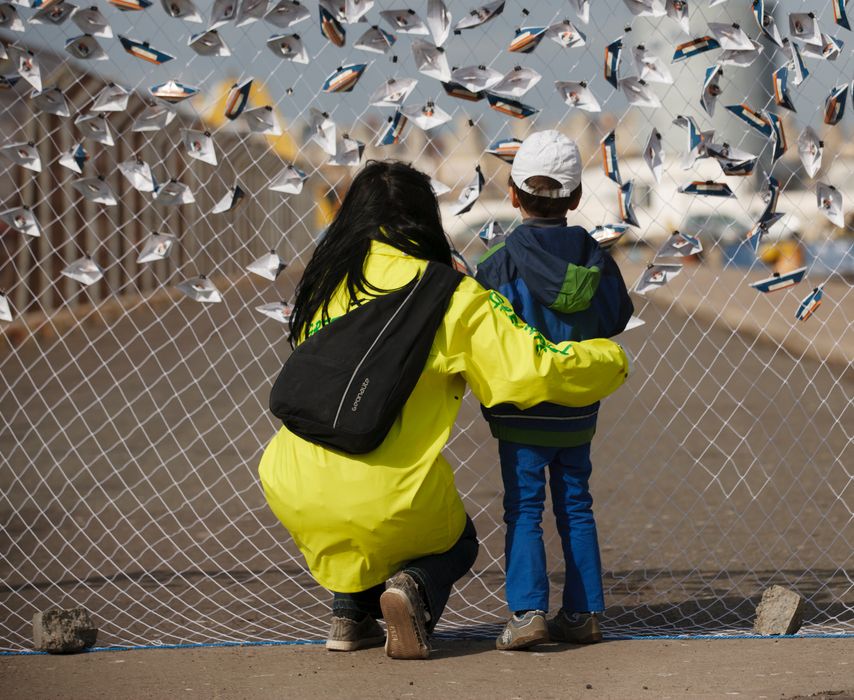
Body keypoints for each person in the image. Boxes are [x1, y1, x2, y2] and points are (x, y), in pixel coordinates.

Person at [258, 159, 633, 660]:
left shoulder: (325, 282)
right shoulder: (450, 295)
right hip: (391, 495)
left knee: (350, 506)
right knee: (455, 539)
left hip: (290, 483)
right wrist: (608, 358)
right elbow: (528, 370)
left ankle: (347, 616)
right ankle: (413, 588)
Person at [473, 131, 634, 651]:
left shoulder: (499, 260)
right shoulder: (596, 258)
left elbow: (479, 328)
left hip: (521, 409)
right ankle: (584, 612)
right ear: (576, 198)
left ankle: (527, 613)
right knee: (576, 503)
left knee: (523, 507)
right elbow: (617, 315)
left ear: (514, 194)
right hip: (577, 408)